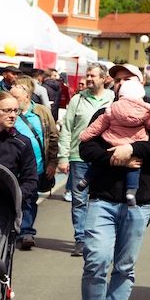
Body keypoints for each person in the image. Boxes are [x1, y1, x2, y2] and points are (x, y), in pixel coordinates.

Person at [72, 63, 150, 300]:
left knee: (125, 266)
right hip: (102, 199)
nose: (119, 83)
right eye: (116, 79)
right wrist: (115, 157)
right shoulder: (105, 112)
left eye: (126, 79)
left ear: (139, 83)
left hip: (138, 203)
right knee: (96, 261)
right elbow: (85, 147)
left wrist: (133, 149)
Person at [57, 63, 115, 257]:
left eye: (93, 76)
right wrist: (63, 157)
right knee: (80, 200)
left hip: (105, 157)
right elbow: (67, 129)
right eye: (88, 75)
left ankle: (97, 238)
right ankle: (80, 239)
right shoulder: (77, 100)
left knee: (101, 199)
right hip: (78, 156)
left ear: (104, 78)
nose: (89, 78)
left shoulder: (113, 99)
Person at [76, 78, 150, 205]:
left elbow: (97, 126)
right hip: (136, 141)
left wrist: (84, 136)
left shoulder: (111, 108)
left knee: (99, 162)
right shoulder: (147, 111)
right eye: (118, 79)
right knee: (134, 167)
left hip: (111, 140)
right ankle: (131, 192)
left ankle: (86, 179)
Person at [10, 75, 59, 250]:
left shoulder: (41, 112)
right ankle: (10, 231)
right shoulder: (8, 110)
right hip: (10, 166)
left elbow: (53, 137)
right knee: (11, 199)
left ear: (27, 97)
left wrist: (52, 162)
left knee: (30, 199)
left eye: (16, 97)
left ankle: (26, 233)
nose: (12, 101)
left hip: (35, 166)